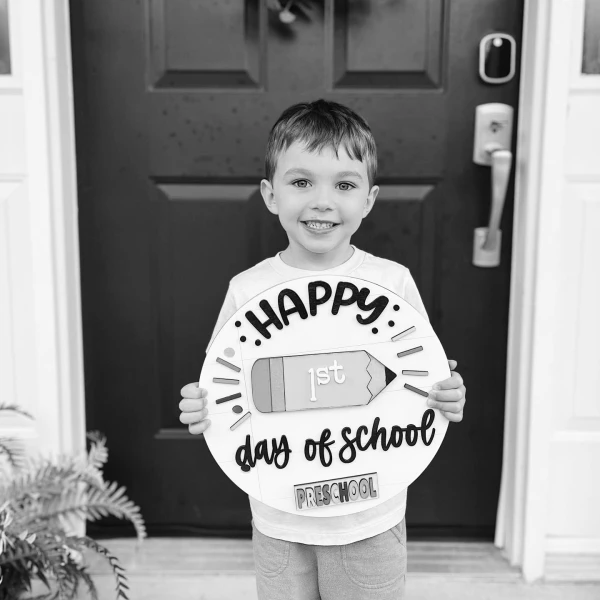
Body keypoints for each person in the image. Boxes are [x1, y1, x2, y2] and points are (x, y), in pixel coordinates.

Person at [178, 99, 467, 600]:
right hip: (279, 519)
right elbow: (224, 385)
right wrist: (199, 408)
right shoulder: (247, 291)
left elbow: (423, 376)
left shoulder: (393, 283)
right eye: (301, 182)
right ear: (270, 195)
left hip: (370, 519)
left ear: (369, 200)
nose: (322, 202)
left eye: (345, 185)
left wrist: (447, 396)